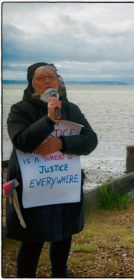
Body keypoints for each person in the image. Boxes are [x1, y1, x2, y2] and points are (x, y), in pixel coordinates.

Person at [6, 62, 98, 277]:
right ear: (32, 84)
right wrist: (48, 119)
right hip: (32, 184)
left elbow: (90, 140)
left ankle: (60, 273)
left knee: (64, 233)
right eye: (41, 78)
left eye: (52, 77)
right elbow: (21, 142)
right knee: (33, 238)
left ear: (59, 81)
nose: (48, 81)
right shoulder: (20, 109)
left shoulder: (70, 108)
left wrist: (61, 144)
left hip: (65, 181)